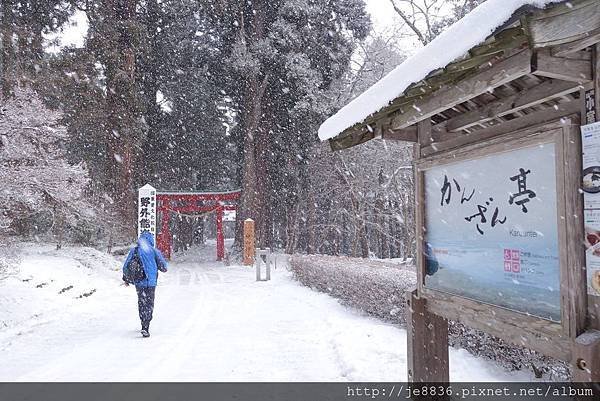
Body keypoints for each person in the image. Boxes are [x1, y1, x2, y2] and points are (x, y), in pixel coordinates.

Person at [122, 231, 168, 337]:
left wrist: (126, 278)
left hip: (139, 281)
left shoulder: (134, 250)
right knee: (149, 303)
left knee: (141, 302)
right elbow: (164, 268)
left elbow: (126, 266)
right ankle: (146, 325)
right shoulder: (154, 251)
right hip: (151, 282)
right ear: (151, 240)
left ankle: (143, 323)